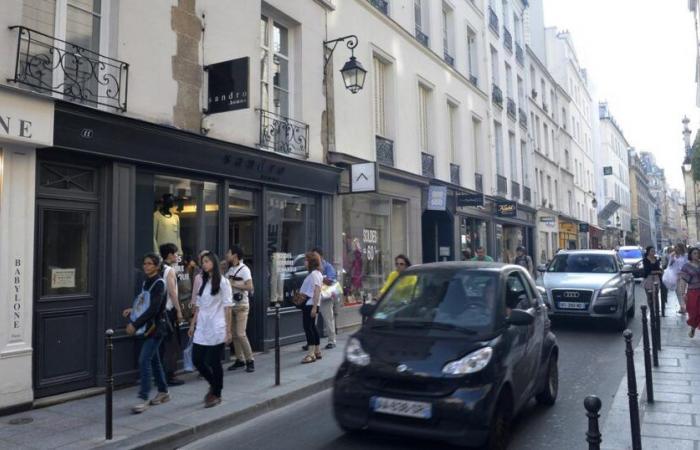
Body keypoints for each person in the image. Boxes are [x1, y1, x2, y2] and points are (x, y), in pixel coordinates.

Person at [122, 253, 170, 414]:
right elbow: (143, 301)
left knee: (144, 360)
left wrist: (135, 325)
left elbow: (153, 309)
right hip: (148, 327)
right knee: (154, 361)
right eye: (144, 263)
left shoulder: (159, 284)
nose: (146, 266)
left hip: (155, 329)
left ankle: (143, 398)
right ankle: (163, 392)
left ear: (157, 266)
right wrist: (133, 309)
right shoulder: (147, 281)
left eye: (149, 263)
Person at [188, 252, 233, 408]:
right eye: (202, 262)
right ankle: (214, 385)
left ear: (213, 262)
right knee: (197, 360)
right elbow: (199, 306)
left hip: (217, 327)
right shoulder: (203, 282)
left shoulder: (223, 282)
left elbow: (228, 307)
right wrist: (193, 324)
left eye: (207, 261)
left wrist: (228, 330)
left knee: (213, 361)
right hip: (202, 327)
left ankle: (217, 393)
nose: (204, 264)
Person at [225, 245, 255, 373]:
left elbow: (249, 286)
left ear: (235, 255)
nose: (227, 255)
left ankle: (250, 360)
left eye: (229, 253)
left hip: (242, 305)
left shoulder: (245, 269)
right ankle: (239, 359)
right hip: (231, 305)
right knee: (235, 335)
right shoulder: (230, 269)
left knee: (241, 334)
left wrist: (233, 283)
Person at [158, 243, 185, 386]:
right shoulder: (169, 270)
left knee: (163, 344)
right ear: (169, 255)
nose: (177, 256)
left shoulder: (159, 268)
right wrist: (179, 311)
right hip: (168, 311)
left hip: (159, 311)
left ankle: (162, 375)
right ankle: (170, 376)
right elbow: (172, 293)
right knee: (171, 344)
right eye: (175, 253)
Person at [299, 252, 323, 364]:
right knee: (313, 327)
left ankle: (310, 354)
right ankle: (317, 351)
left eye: (306, 260)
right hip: (312, 304)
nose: (305, 262)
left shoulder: (314, 274)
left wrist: (314, 307)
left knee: (308, 328)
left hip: (310, 304)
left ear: (311, 262)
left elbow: (317, 290)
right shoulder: (317, 273)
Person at [312, 247, 339, 350]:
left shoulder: (328, 266)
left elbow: (331, 281)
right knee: (312, 320)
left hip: (325, 296)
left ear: (321, 256)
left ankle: (332, 340)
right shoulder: (312, 268)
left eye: (315, 256)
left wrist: (320, 277)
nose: (314, 258)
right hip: (315, 297)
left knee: (328, 319)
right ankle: (312, 341)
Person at [679, 247, 700, 338]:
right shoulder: (686, 267)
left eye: (698, 253)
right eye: (694, 253)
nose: (697, 255)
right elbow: (683, 281)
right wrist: (683, 293)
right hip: (692, 292)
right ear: (690, 255)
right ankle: (693, 327)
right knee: (694, 313)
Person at [667, 243, 688, 314]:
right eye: (675, 247)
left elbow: (687, 265)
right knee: (678, 292)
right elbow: (669, 265)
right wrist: (672, 260)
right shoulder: (672, 255)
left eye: (678, 247)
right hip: (675, 275)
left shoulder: (685, 256)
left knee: (683, 292)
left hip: (683, 275)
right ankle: (682, 307)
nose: (676, 249)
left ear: (681, 248)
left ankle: (684, 307)